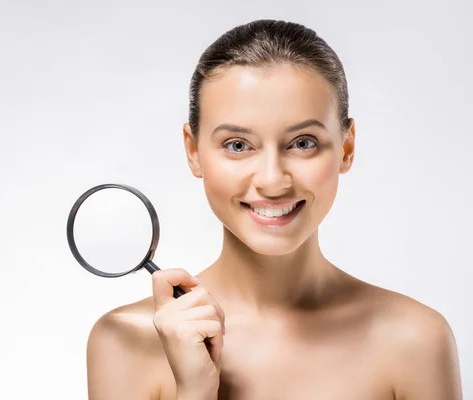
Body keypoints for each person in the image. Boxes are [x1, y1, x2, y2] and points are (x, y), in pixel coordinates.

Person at [86, 19, 463, 399]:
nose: (272, 180)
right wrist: (195, 390)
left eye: (302, 143)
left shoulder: (415, 340)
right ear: (193, 151)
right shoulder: (125, 340)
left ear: (346, 148)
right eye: (237, 145)